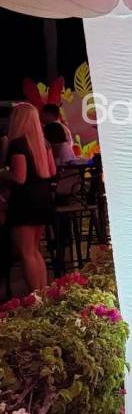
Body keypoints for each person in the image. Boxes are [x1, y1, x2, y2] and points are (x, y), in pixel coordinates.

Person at [4, 101, 56, 293]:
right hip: (42, 200)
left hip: (24, 201)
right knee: (35, 250)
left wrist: (3, 173)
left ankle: (35, 297)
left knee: (26, 253)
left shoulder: (17, 144)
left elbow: (19, 177)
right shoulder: (44, 144)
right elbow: (52, 171)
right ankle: (43, 294)